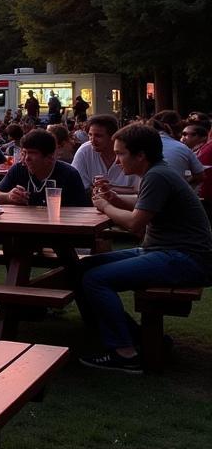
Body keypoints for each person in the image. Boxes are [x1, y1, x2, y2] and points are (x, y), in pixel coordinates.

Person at [79, 123, 212, 372]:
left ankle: (125, 353)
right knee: (82, 268)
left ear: (140, 155)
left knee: (95, 279)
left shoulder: (158, 175)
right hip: (166, 252)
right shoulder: (157, 172)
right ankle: (140, 339)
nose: (117, 161)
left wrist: (105, 207)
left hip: (185, 259)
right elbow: (145, 203)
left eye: (121, 154)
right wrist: (115, 198)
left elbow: (135, 223)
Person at [0, 128, 90, 207]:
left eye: (32, 153)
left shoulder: (69, 174)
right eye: (24, 153)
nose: (26, 158)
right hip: (25, 227)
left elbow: (82, 208)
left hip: (58, 229)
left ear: (49, 157)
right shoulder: (19, 169)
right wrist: (8, 196)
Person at [72, 115, 140, 194]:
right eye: (90, 135)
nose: (92, 140)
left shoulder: (130, 151)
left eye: (98, 136)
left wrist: (110, 189)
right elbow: (78, 185)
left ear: (112, 136)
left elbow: (139, 190)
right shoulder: (84, 151)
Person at [149, 111, 205, 185]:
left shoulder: (139, 145)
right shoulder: (182, 148)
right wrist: (183, 186)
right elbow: (200, 176)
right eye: (182, 133)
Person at [181, 121, 212, 222]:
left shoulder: (207, 149)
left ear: (203, 137)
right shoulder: (193, 151)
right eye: (182, 134)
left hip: (205, 198)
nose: (183, 137)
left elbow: (200, 174)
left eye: (187, 134)